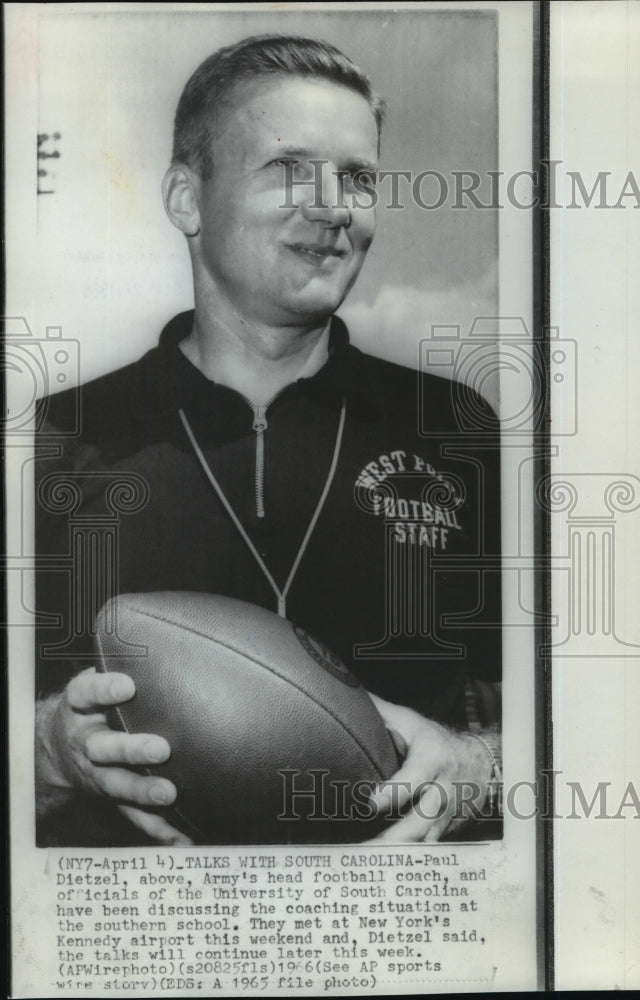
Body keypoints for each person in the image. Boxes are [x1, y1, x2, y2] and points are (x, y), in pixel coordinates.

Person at [34, 34, 502, 847]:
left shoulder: (457, 429)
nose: (332, 208)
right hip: (145, 946)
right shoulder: (52, 441)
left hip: (408, 935)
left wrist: (478, 769)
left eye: (357, 177)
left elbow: (584, 720)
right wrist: (48, 750)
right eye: (289, 168)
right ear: (187, 197)